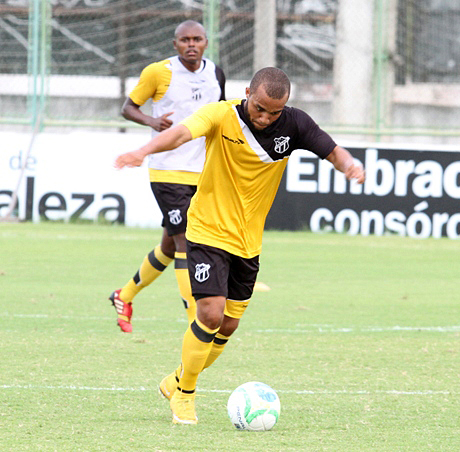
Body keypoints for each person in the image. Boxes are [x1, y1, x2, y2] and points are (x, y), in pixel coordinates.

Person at [114, 67, 365, 425]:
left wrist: (350, 166)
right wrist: (142, 150)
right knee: (210, 314)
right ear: (247, 92)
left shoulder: (295, 125)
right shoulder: (221, 115)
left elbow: (333, 151)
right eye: (259, 107)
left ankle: (179, 378)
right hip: (206, 230)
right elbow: (181, 134)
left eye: (274, 112)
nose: (264, 117)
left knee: (228, 326)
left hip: (248, 241)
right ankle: (185, 395)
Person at [109, 20, 226, 333]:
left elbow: (221, 116)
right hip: (167, 170)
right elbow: (127, 107)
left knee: (169, 246)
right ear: (175, 44)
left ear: (205, 42)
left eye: (197, 39)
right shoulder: (158, 72)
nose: (191, 44)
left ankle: (125, 294)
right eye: (184, 39)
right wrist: (151, 120)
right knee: (186, 241)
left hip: (202, 171)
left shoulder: (215, 73)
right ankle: (195, 320)